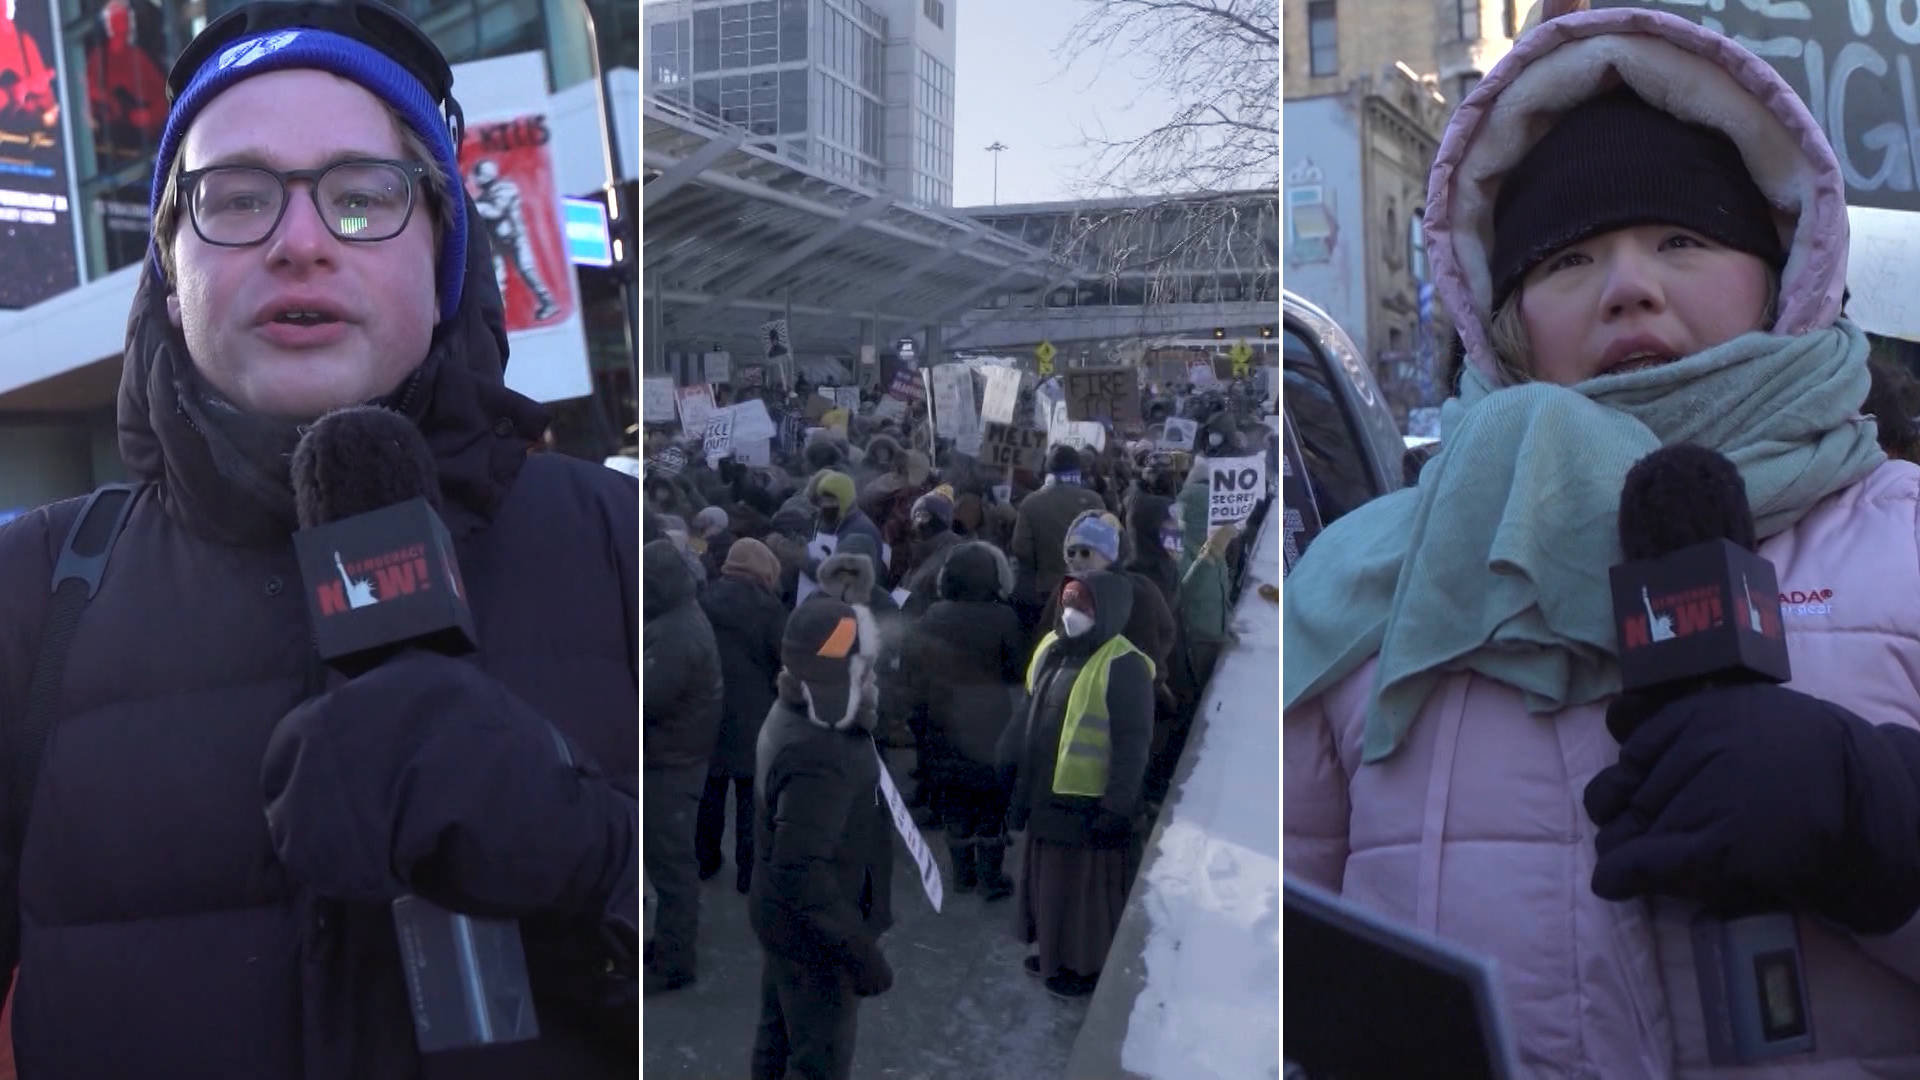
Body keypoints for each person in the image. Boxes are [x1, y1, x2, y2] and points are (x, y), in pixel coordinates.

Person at [0, 4, 638, 1074]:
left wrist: (591, 852)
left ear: (441, 256)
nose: (299, 242)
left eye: (361, 197)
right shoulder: (31, 593)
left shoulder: (618, 540)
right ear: (168, 266)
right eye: (236, 199)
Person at [1285, 9, 1920, 1074]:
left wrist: (1874, 819)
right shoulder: (1365, 582)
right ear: (1508, 315)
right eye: (1570, 257)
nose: (1629, 284)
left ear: (1782, 271)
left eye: (1683, 239)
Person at [749, 599, 896, 1080]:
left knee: (780, 1035)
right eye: (864, 664)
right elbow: (802, 871)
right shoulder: (823, 750)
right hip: (818, 938)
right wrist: (860, 951)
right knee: (819, 1062)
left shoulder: (796, 712)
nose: (873, 674)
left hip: (786, 924)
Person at [1000, 570, 1153, 999]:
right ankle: (1052, 953)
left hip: (1090, 808)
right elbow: (1030, 708)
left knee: (1080, 894)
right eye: (1066, 603)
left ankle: (1082, 966)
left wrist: (1116, 806)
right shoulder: (1052, 648)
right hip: (1046, 797)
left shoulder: (1125, 666)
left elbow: (1132, 745)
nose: (1071, 614)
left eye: (1082, 607)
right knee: (1048, 885)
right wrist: (1007, 760)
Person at [901, 542, 1024, 901]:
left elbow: (912, 669)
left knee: (954, 801)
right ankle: (990, 877)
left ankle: (962, 875)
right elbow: (1017, 669)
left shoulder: (932, 616)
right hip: (991, 724)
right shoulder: (1004, 617)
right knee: (990, 804)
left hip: (943, 722)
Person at [643, 538, 724, 992]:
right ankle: (670, 944)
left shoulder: (676, 632)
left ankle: (675, 963)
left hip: (671, 762)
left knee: (672, 866)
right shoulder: (680, 617)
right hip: (678, 755)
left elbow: (647, 700)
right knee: (670, 861)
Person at [695, 538, 788, 896]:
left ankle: (705, 858)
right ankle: (749, 872)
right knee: (753, 797)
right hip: (755, 715)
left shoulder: (704, 598)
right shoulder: (768, 607)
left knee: (711, 788)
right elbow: (782, 659)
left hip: (710, 709)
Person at [1009, 445, 1105, 632]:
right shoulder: (1094, 501)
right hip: (1088, 589)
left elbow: (1021, 548)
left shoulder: (1031, 503)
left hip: (1046, 591)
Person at [469, 157, 559, 322]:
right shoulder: (484, 197)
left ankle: (548, 302)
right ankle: (497, 315)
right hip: (497, 241)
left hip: (516, 239)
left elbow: (496, 211)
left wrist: (472, 206)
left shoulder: (507, 189)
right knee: (497, 277)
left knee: (526, 270)